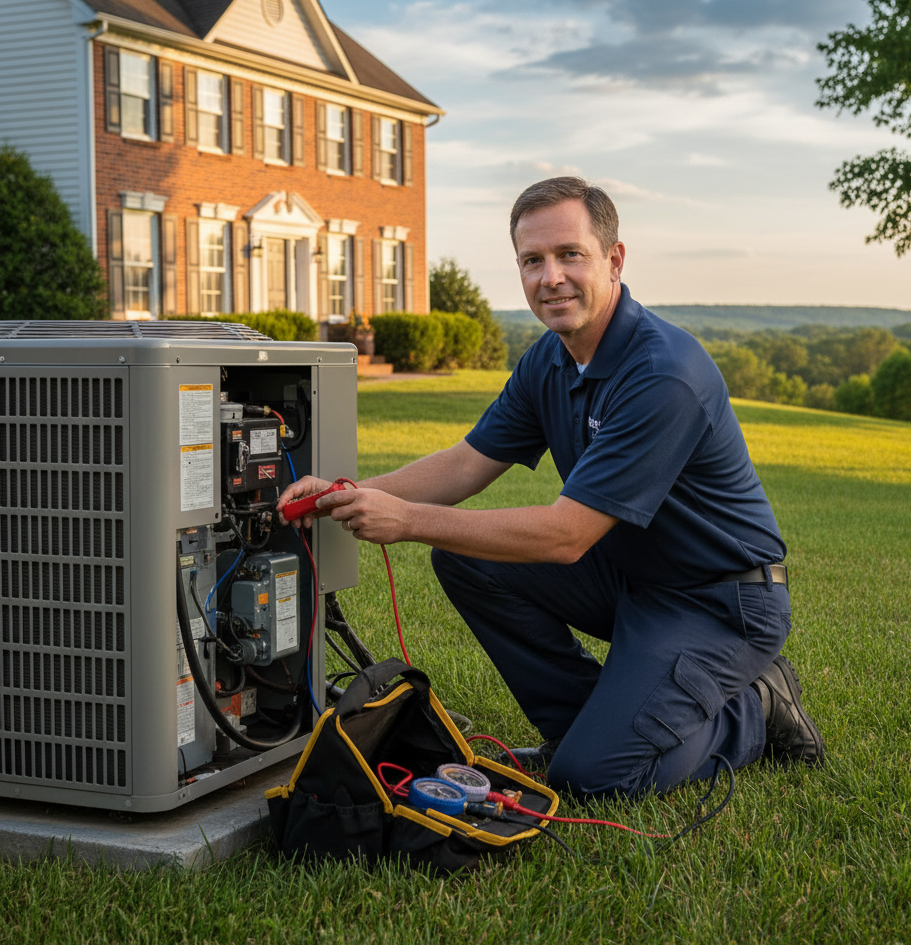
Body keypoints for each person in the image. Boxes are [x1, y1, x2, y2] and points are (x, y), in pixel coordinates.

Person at [279, 176, 824, 798]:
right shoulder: (551, 358)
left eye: (570, 255)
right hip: (631, 581)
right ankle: (584, 724)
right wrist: (344, 493)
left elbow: (567, 536)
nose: (551, 277)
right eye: (532, 261)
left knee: (599, 777)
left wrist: (404, 520)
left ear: (614, 259)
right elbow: (466, 463)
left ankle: (754, 708)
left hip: (718, 601)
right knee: (467, 560)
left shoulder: (663, 374)